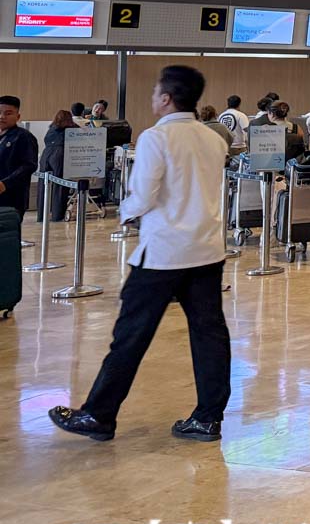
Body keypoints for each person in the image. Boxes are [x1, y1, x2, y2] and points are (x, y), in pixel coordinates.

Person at [49, 66, 232, 443]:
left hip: (164, 252)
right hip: (206, 249)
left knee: (131, 334)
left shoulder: (155, 138)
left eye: (154, 92)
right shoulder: (213, 139)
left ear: (166, 98)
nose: (152, 98)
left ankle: (99, 414)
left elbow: (144, 196)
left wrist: (126, 211)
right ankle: (207, 418)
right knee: (210, 334)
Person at [0, 94, 39, 217]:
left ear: (18, 117)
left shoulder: (23, 137)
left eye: (8, 113)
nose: (2, 117)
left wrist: (5, 184)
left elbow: (29, 166)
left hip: (11, 200)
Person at [39, 110, 78, 221]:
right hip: (59, 155)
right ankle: (57, 215)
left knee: (43, 185)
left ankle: (41, 215)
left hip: (46, 154)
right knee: (60, 185)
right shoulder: (71, 129)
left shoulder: (51, 128)